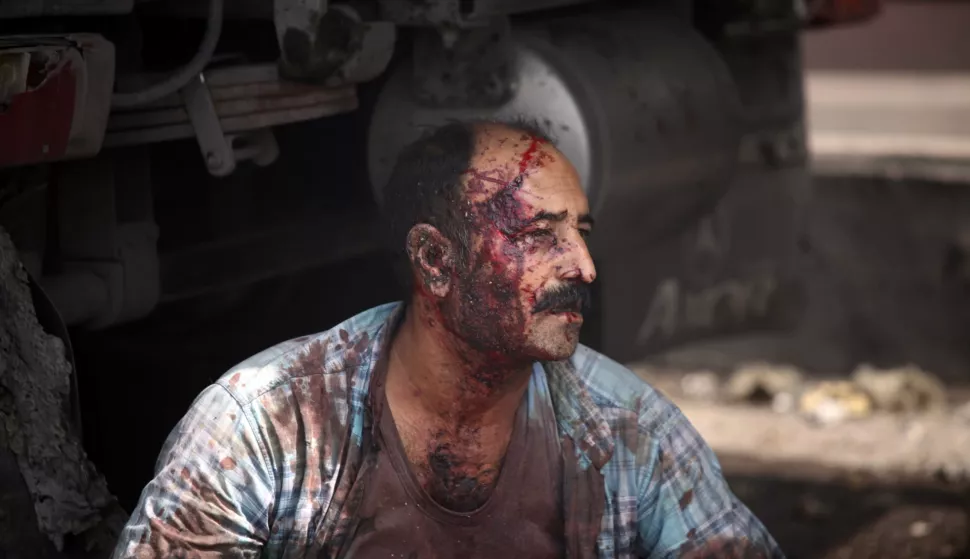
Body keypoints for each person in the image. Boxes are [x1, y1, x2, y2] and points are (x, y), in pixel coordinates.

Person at [112, 119, 784, 558]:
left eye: (582, 231)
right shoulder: (267, 424)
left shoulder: (625, 426)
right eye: (539, 234)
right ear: (435, 261)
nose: (583, 266)